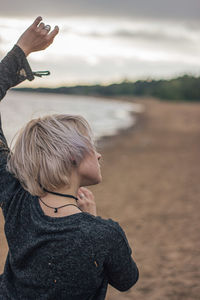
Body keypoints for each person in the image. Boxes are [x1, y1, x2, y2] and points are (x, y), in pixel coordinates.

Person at [0, 17, 139, 300]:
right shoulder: (103, 234)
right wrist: (91, 220)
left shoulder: (17, 201)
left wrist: (21, 50)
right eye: (92, 146)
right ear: (71, 155)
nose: (99, 154)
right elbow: (126, 280)